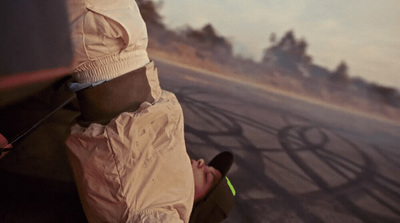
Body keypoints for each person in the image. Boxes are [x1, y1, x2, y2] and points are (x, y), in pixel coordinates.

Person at [65, 0, 235, 222]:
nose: (202, 162)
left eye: (207, 176)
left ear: (197, 207)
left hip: (103, 39)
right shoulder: (167, 181)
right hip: (118, 39)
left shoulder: (166, 212)